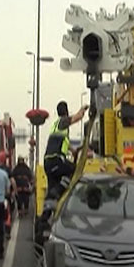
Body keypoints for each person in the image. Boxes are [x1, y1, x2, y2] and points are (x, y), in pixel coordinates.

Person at [35, 101, 88, 244]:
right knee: (73, 170)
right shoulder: (63, 122)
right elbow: (77, 117)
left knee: (51, 193)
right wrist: (83, 109)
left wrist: (79, 151)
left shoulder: (56, 128)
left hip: (48, 162)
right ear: (65, 111)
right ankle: (57, 192)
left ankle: (43, 223)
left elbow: (70, 147)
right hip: (55, 160)